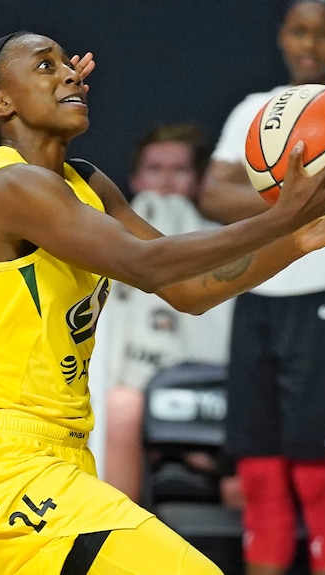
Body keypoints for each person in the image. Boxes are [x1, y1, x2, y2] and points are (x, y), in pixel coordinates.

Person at [0, 31, 325, 575]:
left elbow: (187, 291)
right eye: (47, 66)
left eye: (67, 64)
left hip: (64, 453)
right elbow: (147, 264)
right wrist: (280, 217)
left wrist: (296, 241)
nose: (73, 73)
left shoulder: (87, 184)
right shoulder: (11, 186)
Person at [198, 1, 325, 574]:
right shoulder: (252, 111)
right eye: (299, 30)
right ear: (282, 35)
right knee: (257, 471)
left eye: (322, 34)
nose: (309, 44)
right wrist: (294, 202)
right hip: (258, 297)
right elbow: (211, 196)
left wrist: (264, 195)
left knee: (315, 472)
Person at [102, 123, 235, 503]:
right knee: (122, 407)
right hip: (124, 391)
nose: (165, 182)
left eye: (179, 170)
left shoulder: (227, 244)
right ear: (135, 178)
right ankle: (118, 544)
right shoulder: (101, 242)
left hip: (212, 384)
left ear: (198, 179)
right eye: (154, 169)